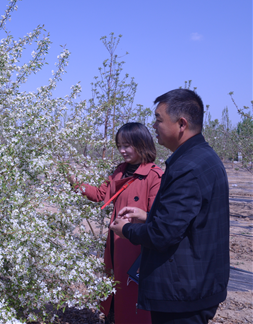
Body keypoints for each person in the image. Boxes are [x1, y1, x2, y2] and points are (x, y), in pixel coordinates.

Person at [110, 89, 230, 324]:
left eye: (158, 119)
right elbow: (189, 220)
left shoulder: (188, 168)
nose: (153, 126)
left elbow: (162, 235)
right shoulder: (202, 158)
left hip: (182, 293)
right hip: (196, 285)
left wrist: (125, 230)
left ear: (181, 124)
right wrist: (148, 216)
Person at [70, 122, 162, 324]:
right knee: (115, 292)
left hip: (137, 248)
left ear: (142, 144)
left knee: (133, 299)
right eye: (120, 145)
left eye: (127, 145)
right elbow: (100, 194)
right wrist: (75, 182)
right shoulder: (120, 171)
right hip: (115, 245)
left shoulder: (154, 176)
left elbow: (158, 217)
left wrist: (141, 216)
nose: (122, 150)